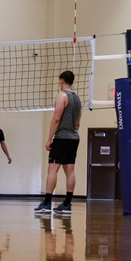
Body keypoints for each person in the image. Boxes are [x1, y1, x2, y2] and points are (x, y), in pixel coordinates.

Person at [35, 70, 82, 216]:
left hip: (62, 137)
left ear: (61, 81)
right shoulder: (78, 99)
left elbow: (56, 118)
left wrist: (50, 139)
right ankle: (67, 204)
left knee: (52, 169)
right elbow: (78, 123)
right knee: (70, 171)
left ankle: (47, 203)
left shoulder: (62, 96)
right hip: (74, 138)